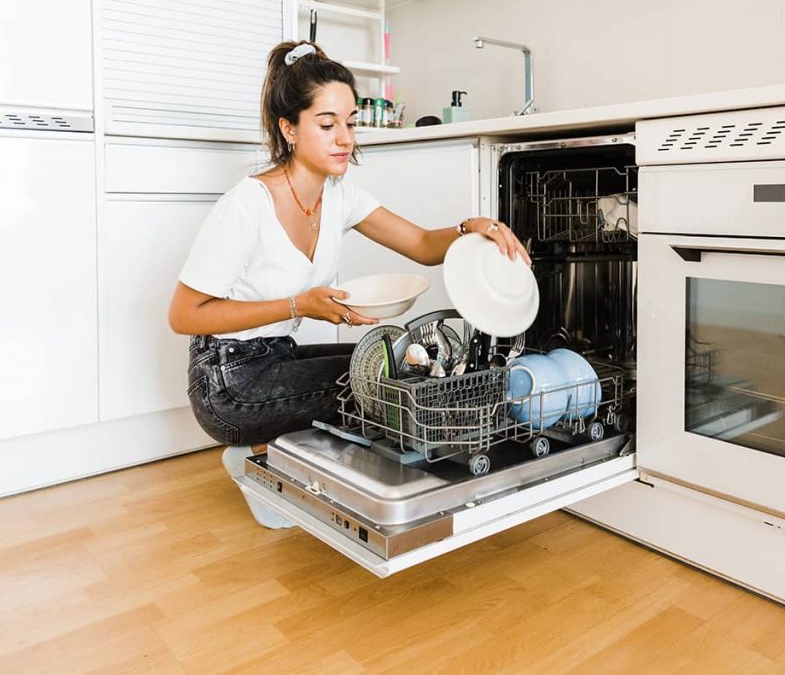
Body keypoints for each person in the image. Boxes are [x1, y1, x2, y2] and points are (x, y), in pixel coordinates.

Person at [168, 40, 530, 528]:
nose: (344, 138)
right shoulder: (247, 204)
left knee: (385, 363)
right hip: (225, 382)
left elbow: (422, 244)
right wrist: (299, 304)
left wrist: (473, 228)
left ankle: (276, 453)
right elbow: (185, 315)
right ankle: (263, 459)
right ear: (288, 128)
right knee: (378, 382)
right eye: (326, 123)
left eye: (351, 122)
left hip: (273, 357)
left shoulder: (340, 194)